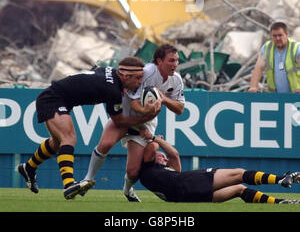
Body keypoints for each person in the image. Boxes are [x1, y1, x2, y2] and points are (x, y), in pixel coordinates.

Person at [17, 57, 160, 200]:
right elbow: (119, 121)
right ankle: (68, 185)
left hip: (57, 97)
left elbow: (95, 71)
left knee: (56, 143)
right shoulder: (113, 91)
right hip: (52, 99)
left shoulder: (110, 71)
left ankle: (28, 168)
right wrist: (146, 116)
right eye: (138, 78)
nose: (140, 82)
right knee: (69, 138)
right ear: (125, 76)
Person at [82, 43, 185, 202]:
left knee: (133, 171)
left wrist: (163, 99)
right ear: (159, 61)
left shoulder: (176, 80)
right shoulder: (147, 72)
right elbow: (133, 101)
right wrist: (146, 111)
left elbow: (179, 109)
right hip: (125, 117)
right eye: (171, 60)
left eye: (177, 60)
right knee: (106, 144)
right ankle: (87, 180)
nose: (175, 64)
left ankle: (127, 189)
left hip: (144, 124)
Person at [139, 129, 300, 204]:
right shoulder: (147, 169)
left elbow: (174, 155)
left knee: (239, 189)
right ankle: (280, 179)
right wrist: (154, 138)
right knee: (239, 173)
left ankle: (279, 202)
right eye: (161, 156)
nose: (163, 156)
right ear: (152, 159)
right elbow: (153, 148)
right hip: (189, 183)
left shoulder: (161, 173)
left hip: (187, 197)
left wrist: (157, 144)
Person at [248, 21, 300, 93]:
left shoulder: (296, 48)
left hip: (295, 98)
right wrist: (253, 87)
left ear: (286, 34)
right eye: (274, 36)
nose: (277, 38)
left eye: (280, 35)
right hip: (275, 98)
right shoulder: (267, 48)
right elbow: (258, 68)